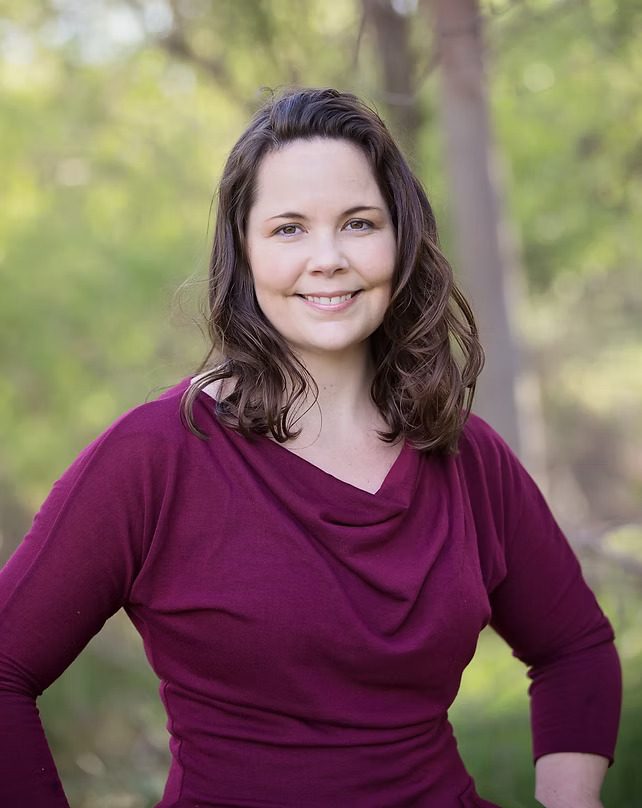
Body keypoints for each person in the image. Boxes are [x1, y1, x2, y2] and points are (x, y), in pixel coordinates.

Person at [0, 87, 621, 808]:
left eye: (358, 223)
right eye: (289, 229)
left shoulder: (465, 455)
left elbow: (574, 649)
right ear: (244, 250)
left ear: (400, 240)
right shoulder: (157, 455)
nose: (327, 259)